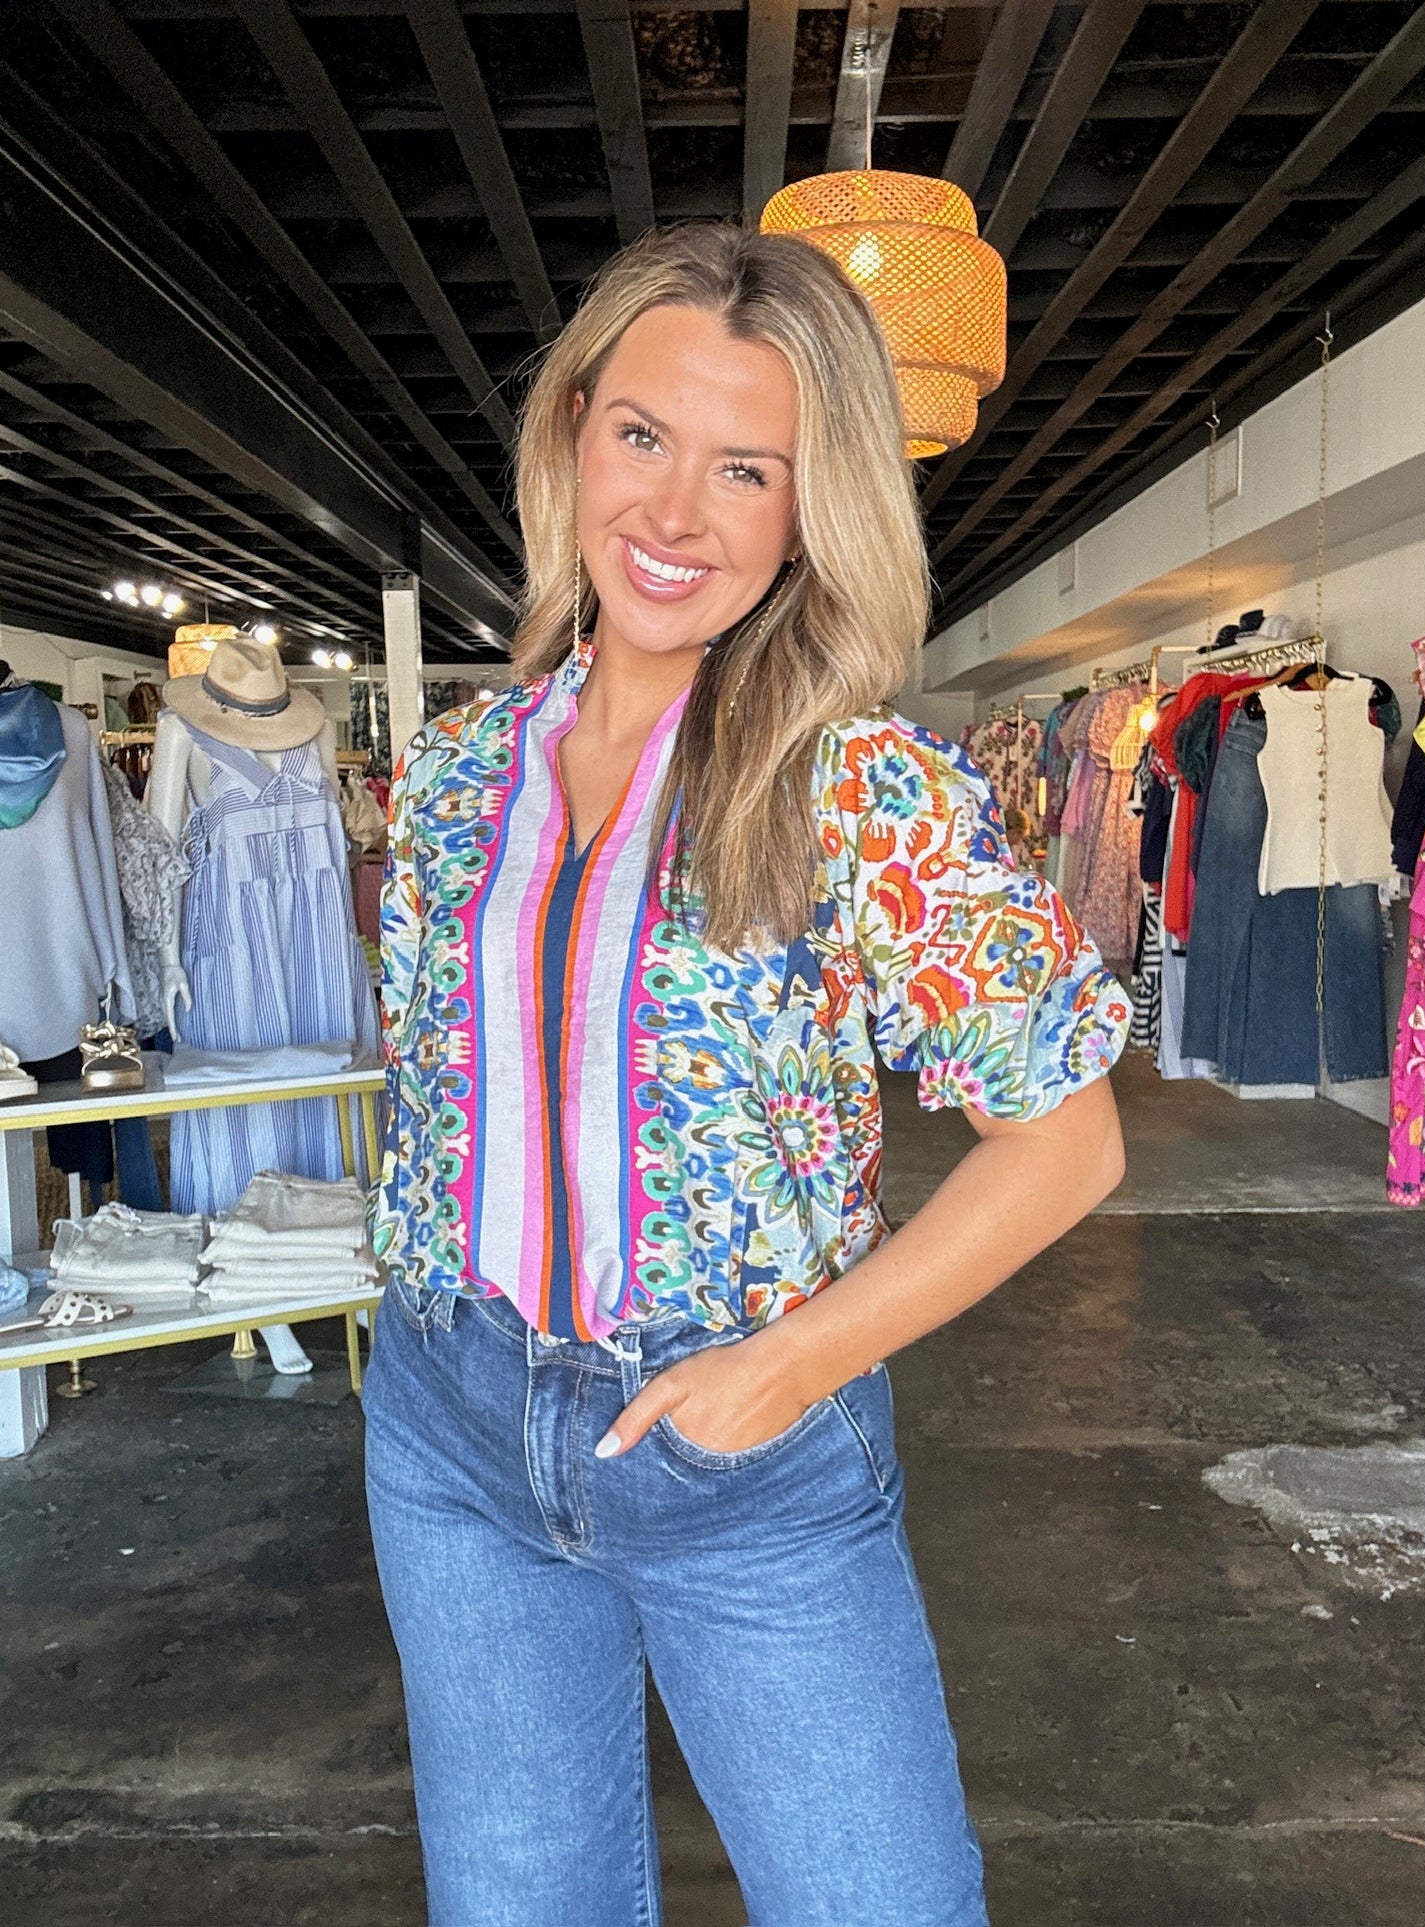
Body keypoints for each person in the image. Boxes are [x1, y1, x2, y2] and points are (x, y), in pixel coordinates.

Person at [363, 222, 1131, 1927]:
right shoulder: (459, 769)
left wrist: (788, 1369)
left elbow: (1064, 1146)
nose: (672, 514)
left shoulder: (858, 782)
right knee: (516, 1907)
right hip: (453, 1436)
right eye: (638, 435)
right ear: (569, 430)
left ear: (809, 508)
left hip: (743, 1456)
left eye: (745, 469)